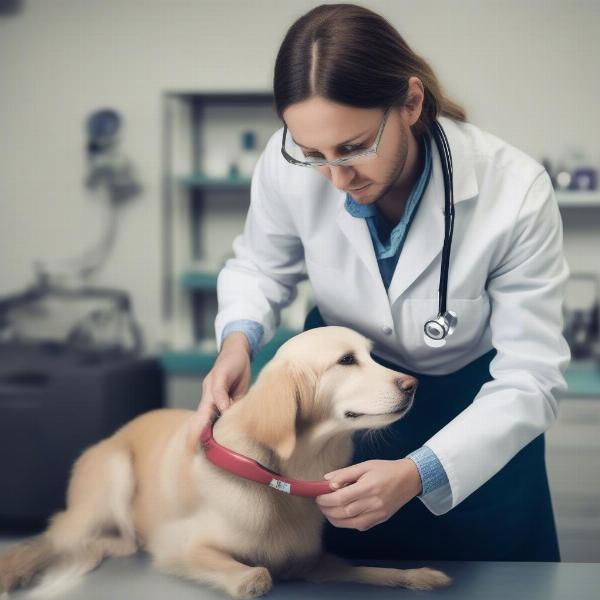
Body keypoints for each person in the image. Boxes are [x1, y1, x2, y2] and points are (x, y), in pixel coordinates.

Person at [193, 3, 570, 562]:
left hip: (474, 416)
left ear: (411, 103)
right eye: (313, 155)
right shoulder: (287, 162)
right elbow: (259, 265)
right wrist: (237, 340)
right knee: (344, 575)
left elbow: (532, 376)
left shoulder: (514, 190)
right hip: (341, 415)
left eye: (354, 147)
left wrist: (421, 471)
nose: (336, 177)